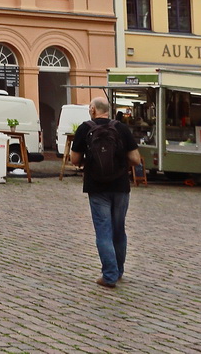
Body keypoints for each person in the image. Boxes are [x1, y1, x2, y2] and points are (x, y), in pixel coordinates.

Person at [69, 96, 141, 288]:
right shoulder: (122, 128)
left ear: (93, 110)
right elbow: (136, 159)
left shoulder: (84, 128)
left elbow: (74, 159)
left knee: (103, 231)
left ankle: (109, 275)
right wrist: (120, 164)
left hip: (97, 186)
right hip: (120, 186)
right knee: (119, 230)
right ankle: (118, 271)